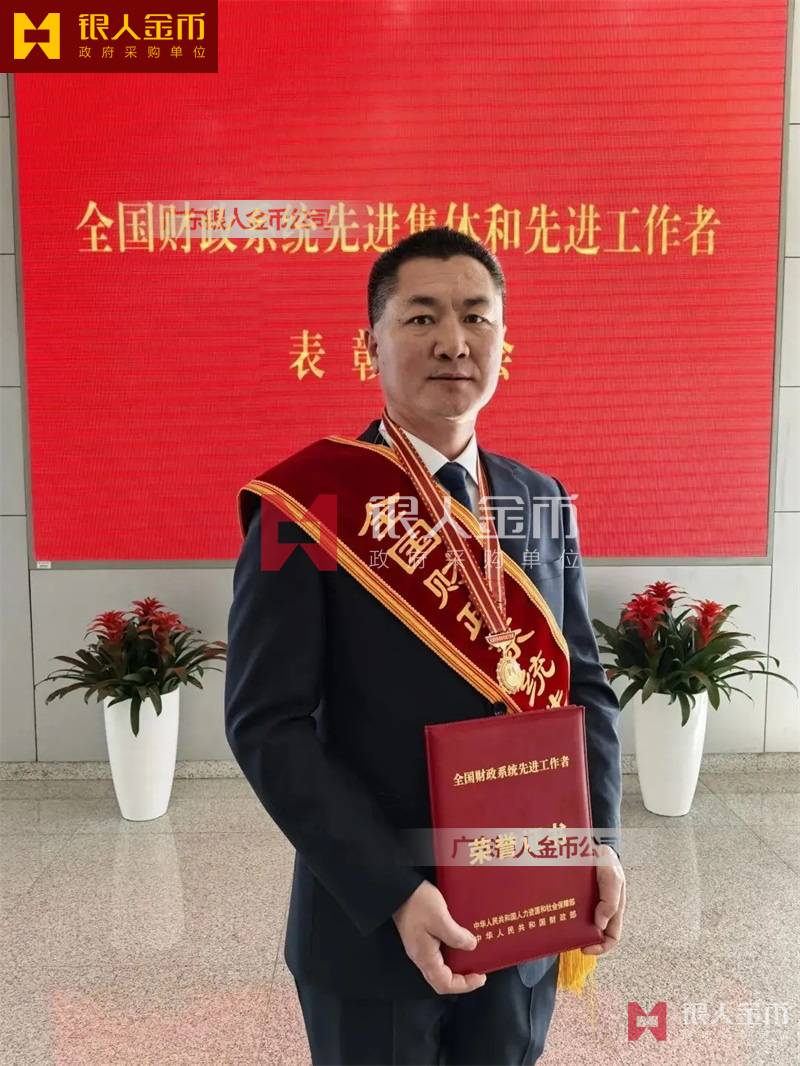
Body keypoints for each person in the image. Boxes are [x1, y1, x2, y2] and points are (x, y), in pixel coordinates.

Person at [224, 227, 625, 1065]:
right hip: (371, 924)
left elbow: (583, 687)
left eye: (476, 317)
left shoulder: (540, 500)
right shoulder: (308, 505)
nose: (453, 341)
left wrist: (600, 842)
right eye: (421, 317)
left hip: (526, 905)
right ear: (371, 342)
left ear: (503, 339)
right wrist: (394, 891)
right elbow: (268, 724)